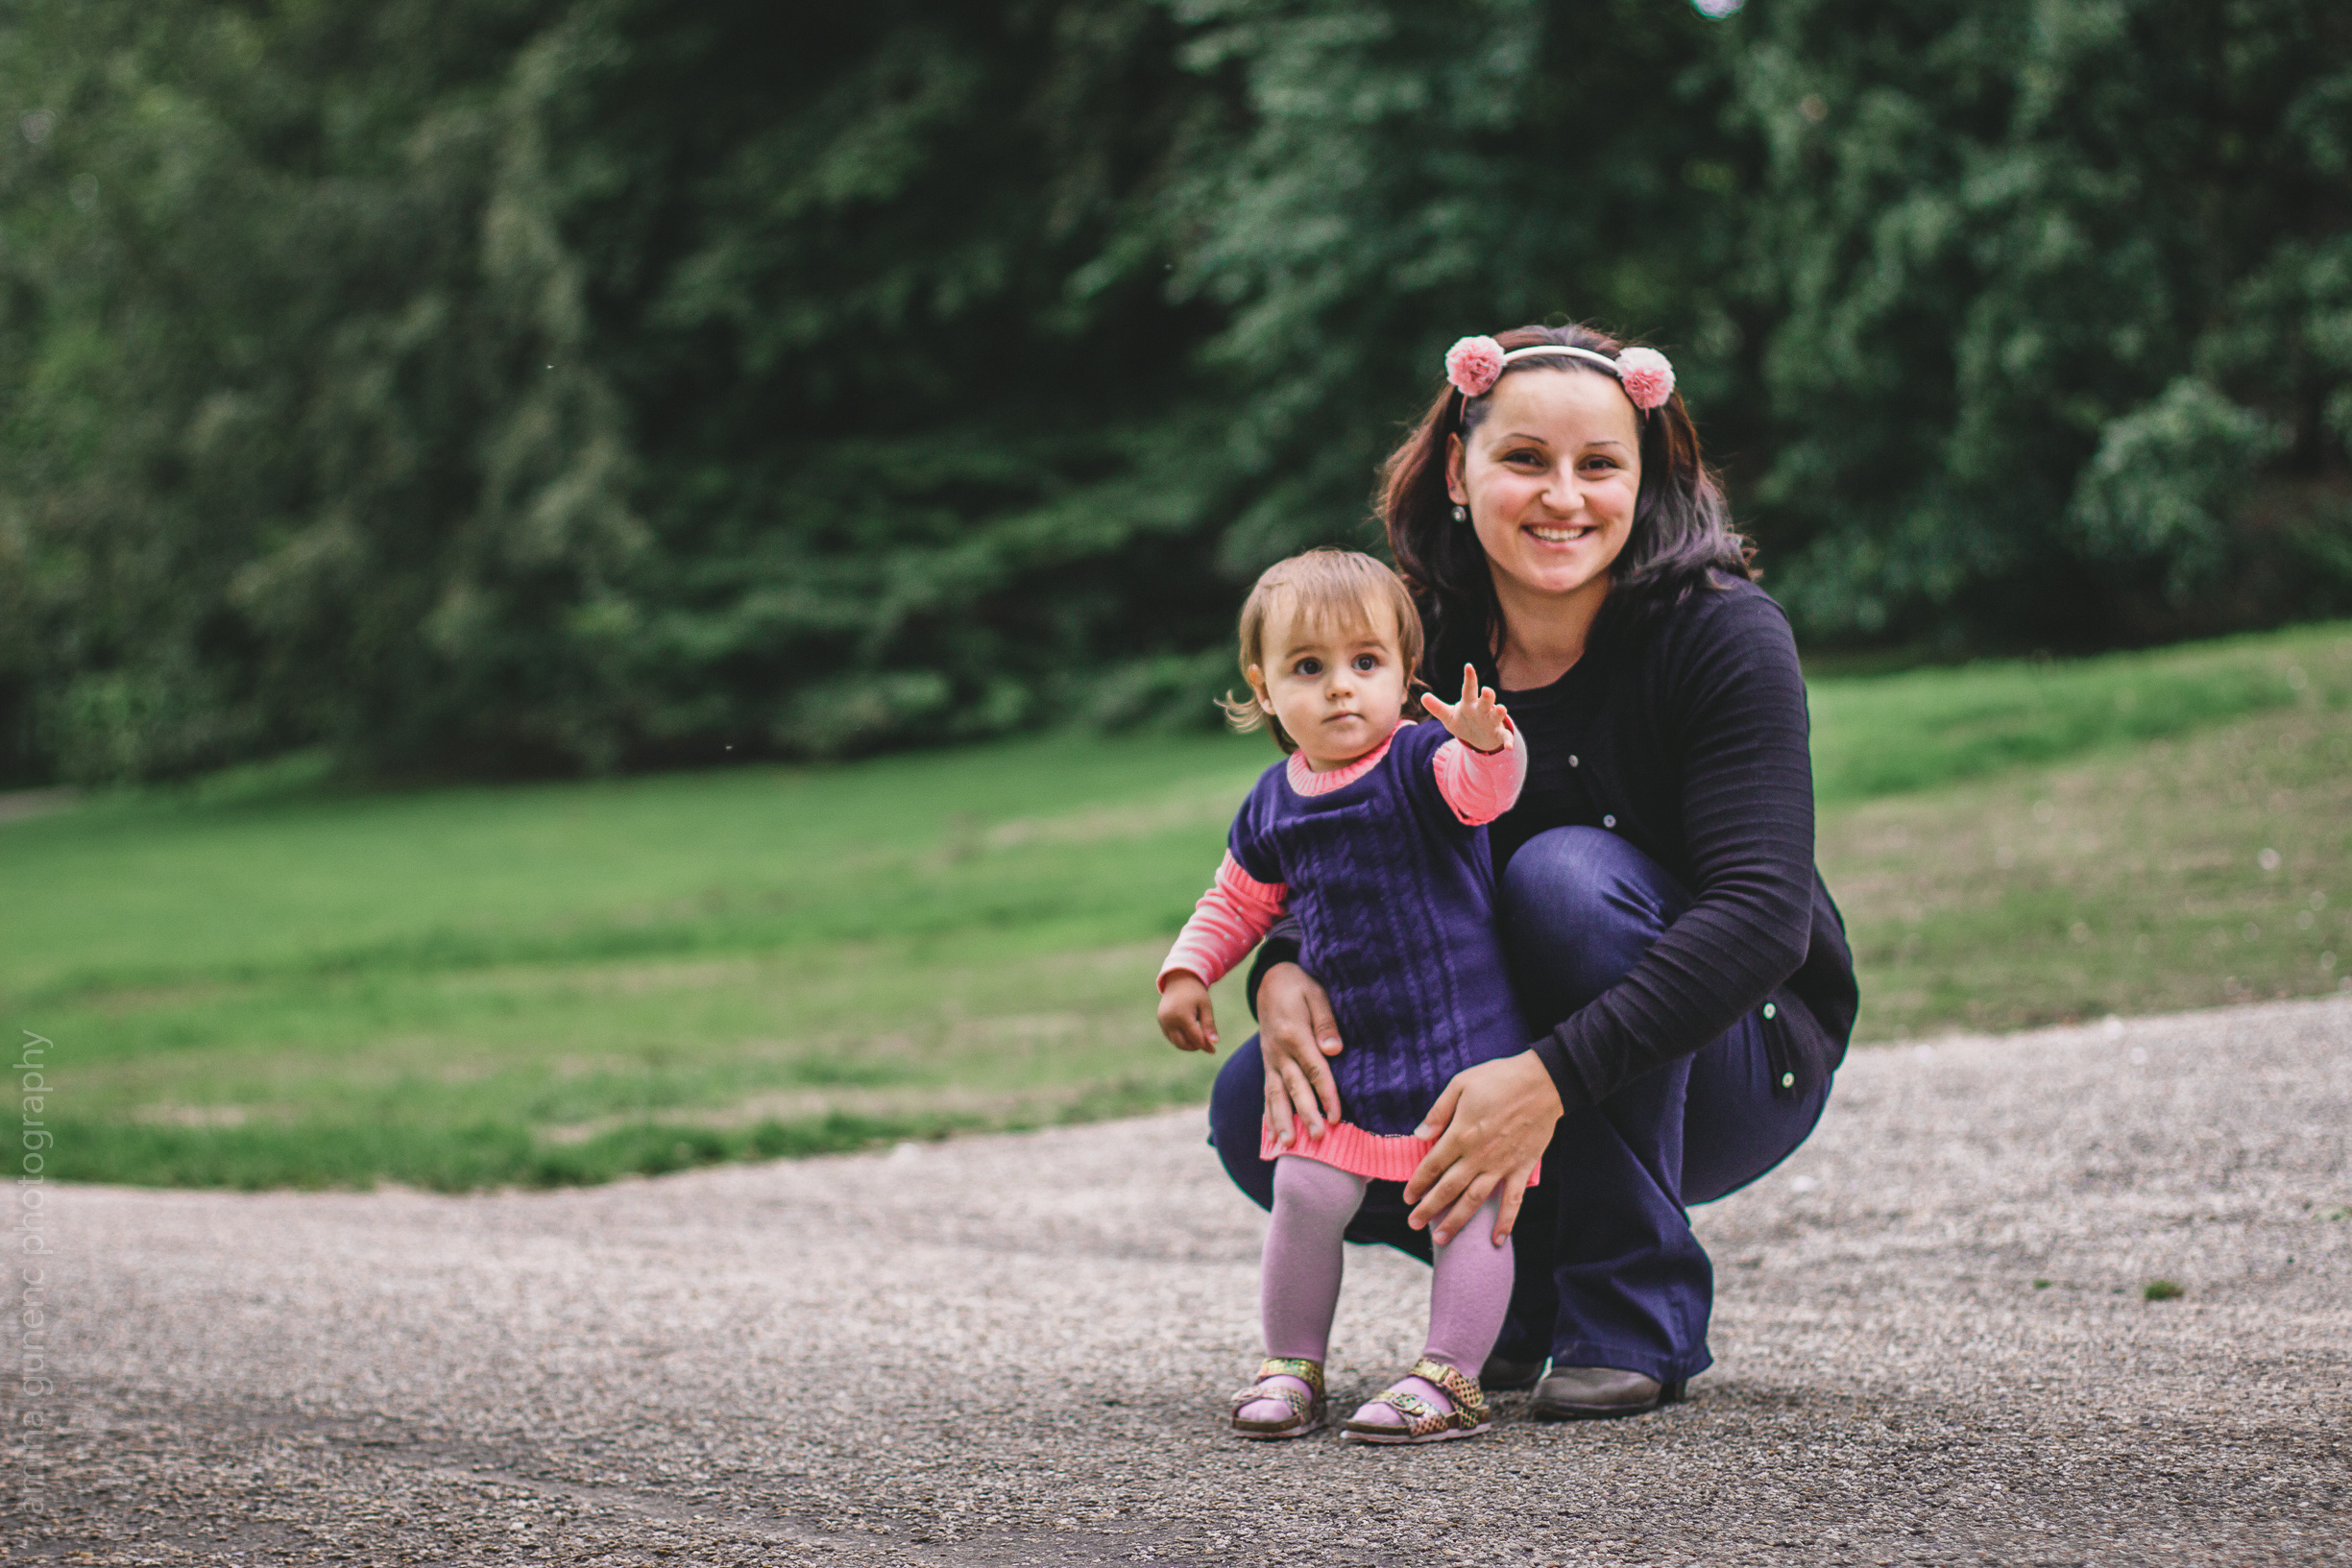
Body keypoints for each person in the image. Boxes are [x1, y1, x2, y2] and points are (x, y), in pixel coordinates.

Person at [1210, 324, 1860, 1421]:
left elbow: (1761, 917)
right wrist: (1278, 966)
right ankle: (1520, 1291)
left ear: (1644, 479)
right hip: (1494, 1037)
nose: (1562, 496)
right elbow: (1335, 838)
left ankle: (1629, 1314)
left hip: (1731, 1060)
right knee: (1257, 1109)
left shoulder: (1719, 635)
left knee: (1563, 880)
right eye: (1523, 459)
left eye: (1598, 463)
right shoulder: (1413, 638)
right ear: (1456, 472)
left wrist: (1546, 1080)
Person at [1156, 548, 1533, 1444]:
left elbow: (1484, 793)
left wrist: (1488, 742)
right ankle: (1292, 1365)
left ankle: (1451, 1375)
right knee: (1305, 1191)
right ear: (1263, 686)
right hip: (1349, 1055)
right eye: (1307, 667)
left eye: (1365, 662)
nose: (1339, 688)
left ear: (1405, 671)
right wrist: (1186, 971)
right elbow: (1235, 903)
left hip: (1459, 1046)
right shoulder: (1271, 804)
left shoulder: (1421, 760)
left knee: (1465, 1206)